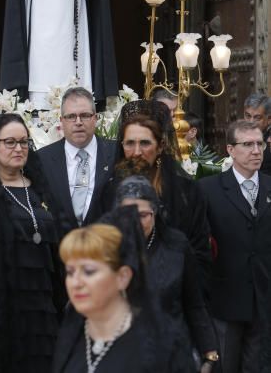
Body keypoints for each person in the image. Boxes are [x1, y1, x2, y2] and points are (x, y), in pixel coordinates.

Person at [0, 112, 63, 372]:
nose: (19, 148)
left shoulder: (40, 187)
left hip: (42, 304)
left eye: (24, 142)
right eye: (10, 142)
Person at [53, 217, 191, 372]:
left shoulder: (160, 344)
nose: (76, 283)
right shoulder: (71, 334)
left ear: (122, 277)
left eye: (89, 271)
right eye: (70, 272)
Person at [116, 175, 219, 372]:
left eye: (143, 215)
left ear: (155, 213)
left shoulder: (177, 245)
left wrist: (209, 352)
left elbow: (193, 303)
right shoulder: (104, 248)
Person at [104, 99, 211, 286]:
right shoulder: (108, 191)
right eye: (129, 143)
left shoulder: (187, 192)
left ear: (160, 146)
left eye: (145, 143)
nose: (136, 152)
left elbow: (200, 252)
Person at [198, 120, 271, 372]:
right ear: (230, 149)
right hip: (225, 301)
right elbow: (199, 246)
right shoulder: (208, 189)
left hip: (264, 300)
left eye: (260, 143)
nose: (256, 150)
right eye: (247, 144)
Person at [39, 87, 116, 236]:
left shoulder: (116, 153)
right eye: (71, 116)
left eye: (85, 115)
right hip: (60, 252)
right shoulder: (43, 159)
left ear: (95, 118)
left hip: (106, 250)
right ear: (61, 121)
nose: (78, 122)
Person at [243, 92, 271, 175]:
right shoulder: (239, 136)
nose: (251, 122)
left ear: (269, 119)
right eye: (248, 116)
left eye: (257, 118)